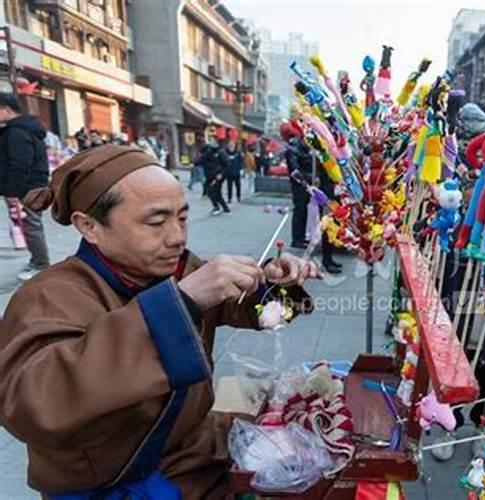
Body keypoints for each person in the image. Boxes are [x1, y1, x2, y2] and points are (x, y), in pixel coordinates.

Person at [0, 144, 320, 499]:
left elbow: (262, 315)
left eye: (182, 218)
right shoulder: (50, 295)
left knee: (308, 454)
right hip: (108, 478)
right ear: (89, 226)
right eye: (156, 222)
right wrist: (180, 303)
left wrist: (275, 286)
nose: (177, 237)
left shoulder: (178, 268)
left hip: (187, 449)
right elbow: (34, 404)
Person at [0, 92, 52, 281]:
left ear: (5, 109)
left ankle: (41, 265)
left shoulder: (17, 132)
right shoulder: (21, 129)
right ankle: (37, 260)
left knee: (30, 226)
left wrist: (13, 191)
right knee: (29, 225)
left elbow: (19, 164)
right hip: (31, 185)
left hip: (27, 188)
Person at [281, 122, 312, 249]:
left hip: (302, 183)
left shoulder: (295, 146)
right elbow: (294, 170)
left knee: (302, 210)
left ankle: (300, 237)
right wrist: (305, 181)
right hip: (300, 185)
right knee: (300, 210)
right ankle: (297, 239)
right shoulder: (293, 147)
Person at [196, 141, 230, 215]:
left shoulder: (221, 153)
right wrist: (195, 161)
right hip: (210, 176)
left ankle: (217, 207)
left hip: (218, 176)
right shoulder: (208, 154)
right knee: (215, 192)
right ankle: (225, 208)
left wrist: (221, 174)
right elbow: (199, 161)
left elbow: (227, 165)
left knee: (212, 191)